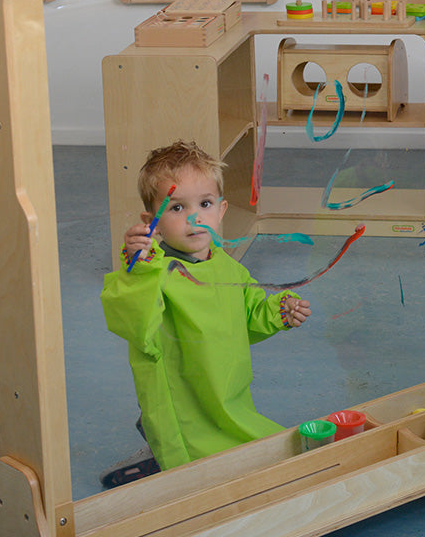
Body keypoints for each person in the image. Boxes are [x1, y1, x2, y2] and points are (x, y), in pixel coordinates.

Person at [100, 140, 311, 487]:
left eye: (205, 204)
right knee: (200, 475)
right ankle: (157, 451)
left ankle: (155, 448)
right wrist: (138, 270)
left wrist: (279, 310)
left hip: (226, 395)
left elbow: (245, 311)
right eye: (177, 208)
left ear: (222, 210)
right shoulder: (154, 272)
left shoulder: (223, 263)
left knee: (258, 447)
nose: (194, 218)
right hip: (183, 402)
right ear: (150, 222)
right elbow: (131, 320)